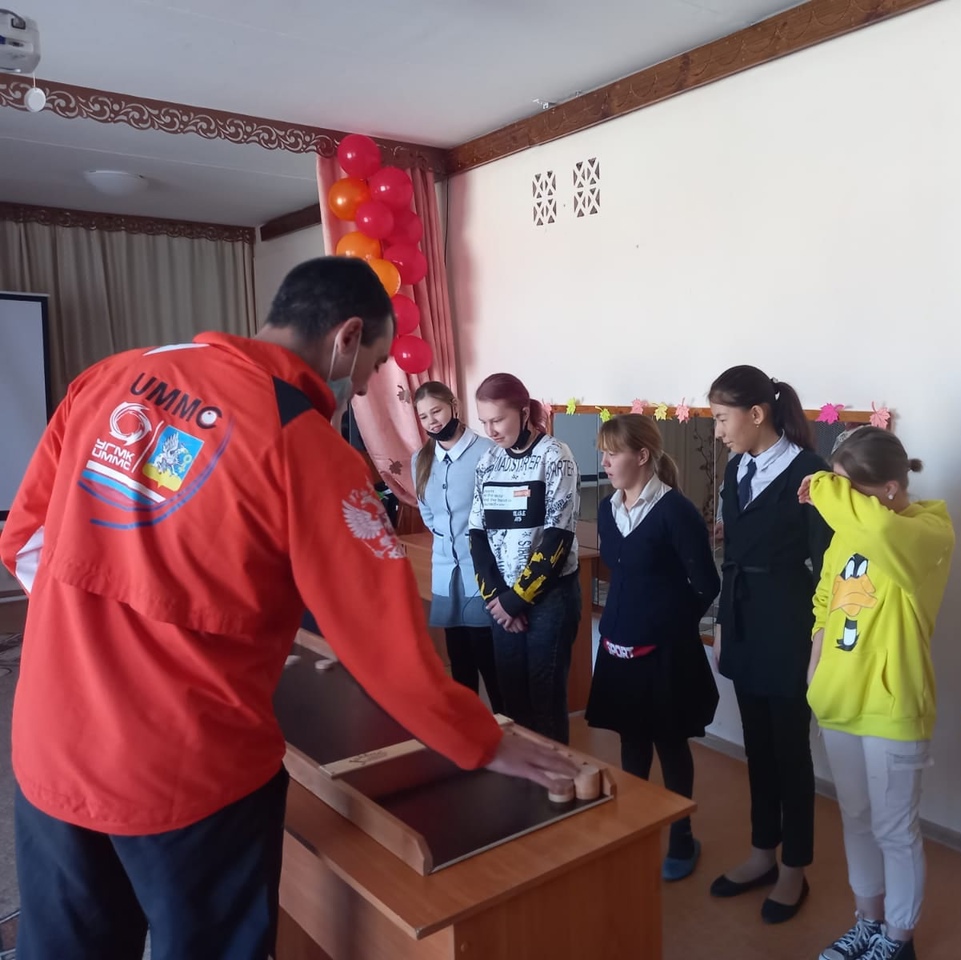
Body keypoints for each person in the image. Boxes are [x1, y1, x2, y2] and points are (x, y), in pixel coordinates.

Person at [0, 257, 577, 960]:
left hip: (50, 737)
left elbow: (22, 539)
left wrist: (99, 623)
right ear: (346, 337)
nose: (364, 386)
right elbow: (383, 643)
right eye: (373, 364)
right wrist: (483, 740)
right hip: (189, 767)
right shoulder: (303, 443)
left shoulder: (110, 376)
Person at [799, 427, 955, 960]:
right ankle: (868, 921)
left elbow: (882, 533)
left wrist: (824, 486)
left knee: (894, 829)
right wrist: (817, 661)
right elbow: (825, 596)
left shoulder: (929, 532)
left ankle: (897, 939)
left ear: (890, 489)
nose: (839, 497)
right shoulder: (850, 526)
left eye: (850, 488)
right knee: (857, 819)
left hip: (892, 703)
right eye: (836, 485)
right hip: (839, 697)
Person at [706, 364, 832, 924]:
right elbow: (731, 555)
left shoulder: (811, 473)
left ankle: (794, 867)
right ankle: (762, 851)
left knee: (790, 752)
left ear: (756, 414)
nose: (717, 432)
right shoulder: (738, 469)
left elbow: (828, 567)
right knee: (755, 745)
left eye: (722, 418)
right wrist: (720, 623)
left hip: (789, 624)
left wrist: (819, 646)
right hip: (742, 617)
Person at [585, 414, 721, 882]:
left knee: (670, 742)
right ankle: (635, 830)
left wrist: (670, 629)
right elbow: (624, 576)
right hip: (619, 648)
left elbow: (706, 584)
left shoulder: (675, 512)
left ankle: (682, 837)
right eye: (603, 453)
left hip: (664, 653)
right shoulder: (608, 511)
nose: (605, 462)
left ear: (642, 456)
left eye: (613, 453)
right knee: (631, 740)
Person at [469, 373, 582, 744]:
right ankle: (526, 775)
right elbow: (477, 534)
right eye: (484, 421)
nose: (490, 431)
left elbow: (557, 537)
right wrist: (498, 598)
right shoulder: (488, 461)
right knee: (512, 698)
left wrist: (518, 600)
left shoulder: (555, 456)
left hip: (550, 597)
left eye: (498, 420)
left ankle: (556, 775)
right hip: (502, 599)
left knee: (544, 699)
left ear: (522, 411)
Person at [412, 381, 503, 714]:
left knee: (490, 661)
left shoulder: (487, 453)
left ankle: (506, 727)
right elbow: (428, 513)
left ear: (454, 405)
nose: (432, 421)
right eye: (424, 416)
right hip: (445, 573)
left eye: (436, 411)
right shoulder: (420, 459)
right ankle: (468, 729)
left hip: (483, 573)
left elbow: (499, 514)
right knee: (459, 661)